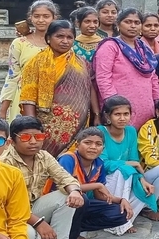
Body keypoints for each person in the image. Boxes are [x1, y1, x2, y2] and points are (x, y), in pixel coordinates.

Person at [0, 116, 84, 239]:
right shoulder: (5, 163)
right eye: (26, 137)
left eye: (38, 136)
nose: (33, 142)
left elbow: (65, 178)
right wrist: (38, 222)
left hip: (32, 208)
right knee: (29, 235)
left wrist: (75, 191)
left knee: (67, 196)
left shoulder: (43, 156)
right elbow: (7, 206)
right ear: (12, 140)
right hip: (8, 217)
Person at [19, 20, 100, 157]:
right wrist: (32, 126)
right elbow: (28, 96)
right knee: (46, 160)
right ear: (49, 38)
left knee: (71, 161)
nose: (65, 41)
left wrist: (96, 114)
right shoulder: (36, 63)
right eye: (59, 36)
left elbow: (90, 88)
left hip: (78, 124)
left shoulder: (81, 62)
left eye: (69, 37)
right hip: (47, 125)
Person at [98, 96, 159, 235]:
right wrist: (129, 164)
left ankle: (130, 216)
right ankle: (117, 220)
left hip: (128, 177)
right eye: (117, 114)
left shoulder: (131, 131)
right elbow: (103, 164)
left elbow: (135, 161)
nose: (122, 118)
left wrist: (142, 180)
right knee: (122, 170)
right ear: (108, 116)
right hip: (107, 183)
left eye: (126, 114)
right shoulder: (101, 131)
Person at [54, 127, 133, 239]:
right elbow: (65, 187)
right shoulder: (68, 159)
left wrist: (121, 200)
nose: (93, 147)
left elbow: (99, 195)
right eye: (88, 142)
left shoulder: (98, 163)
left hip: (80, 205)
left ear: (103, 148)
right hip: (60, 204)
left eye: (98, 144)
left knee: (120, 213)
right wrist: (96, 185)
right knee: (81, 198)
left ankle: (73, 230)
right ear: (77, 144)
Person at [94, 8, 159, 130]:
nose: (133, 26)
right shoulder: (110, 46)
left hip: (145, 107)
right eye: (128, 22)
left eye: (136, 23)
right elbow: (103, 78)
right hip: (120, 110)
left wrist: (158, 101)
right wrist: (114, 105)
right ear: (118, 24)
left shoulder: (144, 48)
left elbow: (153, 77)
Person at [0, 0, 59, 122]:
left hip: (55, 99)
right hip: (22, 99)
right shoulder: (20, 43)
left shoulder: (60, 43)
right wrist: (3, 110)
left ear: (54, 18)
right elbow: (12, 76)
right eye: (36, 16)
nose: (41, 20)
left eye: (46, 16)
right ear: (30, 18)